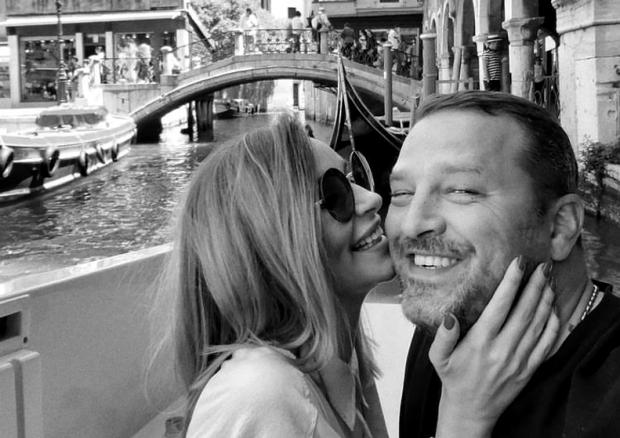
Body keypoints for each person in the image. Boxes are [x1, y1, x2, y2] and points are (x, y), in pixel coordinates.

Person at [151, 113, 559, 438]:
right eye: (336, 196)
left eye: (353, 178)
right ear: (274, 240)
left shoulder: (339, 364)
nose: (373, 198)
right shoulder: (258, 392)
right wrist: (464, 419)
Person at [387, 90, 620, 438]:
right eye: (402, 194)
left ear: (559, 227)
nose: (411, 224)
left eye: (462, 190)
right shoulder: (447, 325)